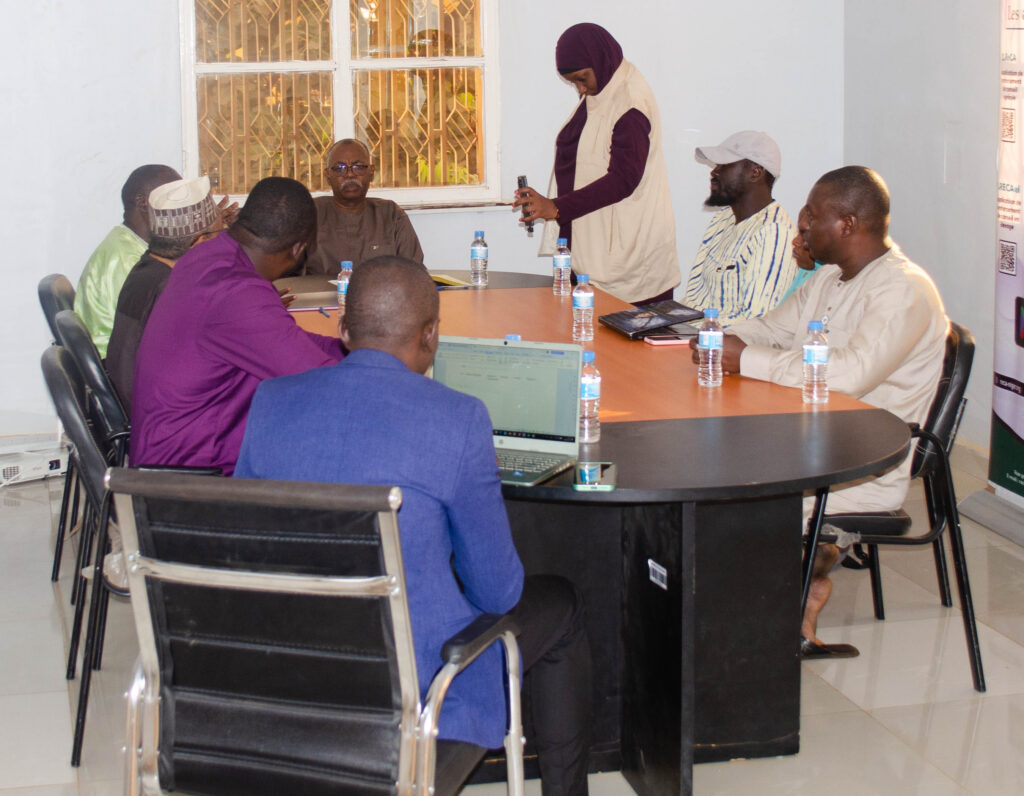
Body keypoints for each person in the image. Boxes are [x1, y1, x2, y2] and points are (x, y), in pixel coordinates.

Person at [236, 256, 592, 794]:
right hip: (419, 684)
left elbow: (246, 553)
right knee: (561, 604)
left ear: (344, 330)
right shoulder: (458, 418)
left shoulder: (271, 402)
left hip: (294, 676)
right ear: (430, 336)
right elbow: (498, 593)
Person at [710, 166, 948, 657]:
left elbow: (849, 374)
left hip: (862, 462)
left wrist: (746, 359)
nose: (802, 226)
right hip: (810, 438)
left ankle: (775, 610)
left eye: (812, 216)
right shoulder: (829, 279)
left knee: (731, 496)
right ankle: (786, 588)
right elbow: (771, 328)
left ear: (847, 224)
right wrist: (715, 337)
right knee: (714, 463)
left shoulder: (903, 290)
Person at [131, 177, 343, 475]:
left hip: (174, 450)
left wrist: (354, 348)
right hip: (189, 477)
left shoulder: (206, 256)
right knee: (340, 439)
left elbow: (291, 342)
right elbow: (322, 381)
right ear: (298, 250)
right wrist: (385, 371)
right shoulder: (237, 291)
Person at [513, 23, 679, 306]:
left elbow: (623, 179)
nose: (580, 89)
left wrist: (556, 207)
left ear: (600, 59)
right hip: (591, 247)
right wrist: (547, 203)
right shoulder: (603, 90)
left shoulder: (630, 103)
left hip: (630, 260)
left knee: (618, 335)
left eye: (582, 79)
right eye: (573, 83)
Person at [106, 176, 222, 411]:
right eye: (221, 233)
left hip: (136, 402)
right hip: (158, 413)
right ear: (200, 242)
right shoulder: (174, 291)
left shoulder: (145, 269)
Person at [683, 131, 798, 326]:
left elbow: (756, 323)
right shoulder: (724, 218)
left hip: (723, 341)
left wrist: (686, 329)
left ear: (755, 172)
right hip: (694, 333)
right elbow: (695, 295)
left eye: (724, 165)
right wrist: (663, 322)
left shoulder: (774, 233)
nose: (714, 172)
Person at [74, 164, 181, 358]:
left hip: (124, 355)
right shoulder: (127, 260)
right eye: (173, 196)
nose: (182, 206)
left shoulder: (127, 243)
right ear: (143, 203)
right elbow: (159, 331)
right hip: (119, 362)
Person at [301, 139, 424, 274]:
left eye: (358, 167)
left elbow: (414, 272)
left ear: (371, 172)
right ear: (328, 175)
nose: (349, 174)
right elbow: (291, 275)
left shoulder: (391, 214)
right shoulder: (309, 214)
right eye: (340, 168)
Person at [779, 224, 822, 303]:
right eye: (798, 232)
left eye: (807, 235)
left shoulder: (826, 282)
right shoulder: (805, 269)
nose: (795, 241)